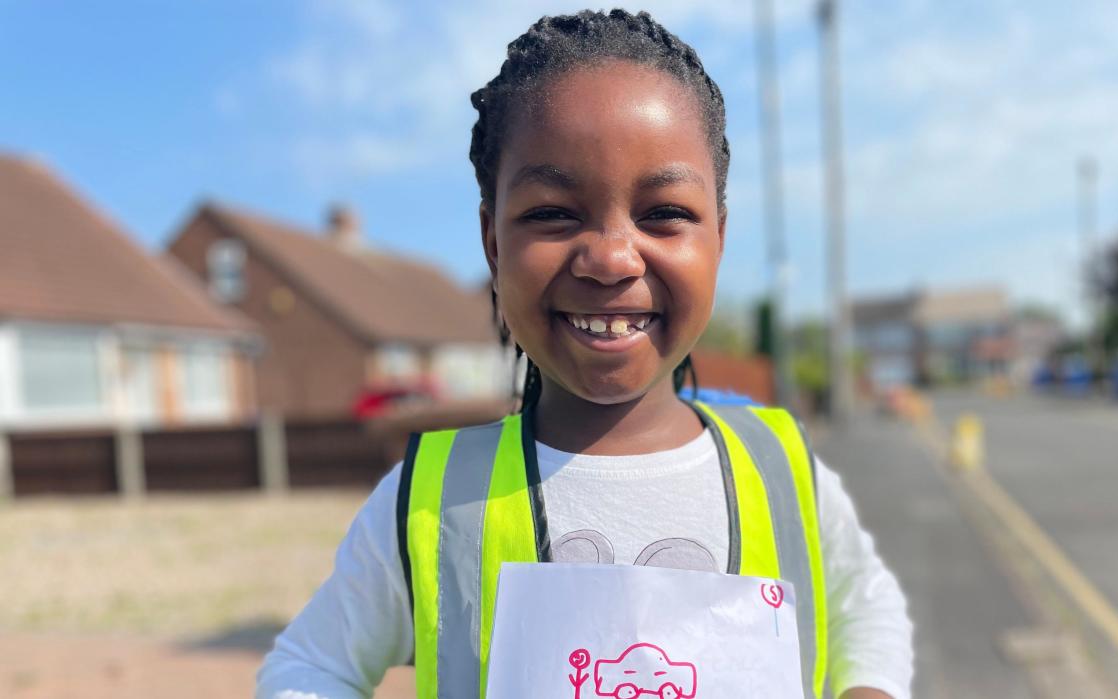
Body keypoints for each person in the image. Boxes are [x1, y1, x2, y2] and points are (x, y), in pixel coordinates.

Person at [257, 9, 912, 699]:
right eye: (552, 213)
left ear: (718, 236)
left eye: (663, 212)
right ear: (492, 242)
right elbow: (309, 666)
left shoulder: (783, 469)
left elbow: (865, 604)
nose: (610, 257)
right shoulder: (431, 501)